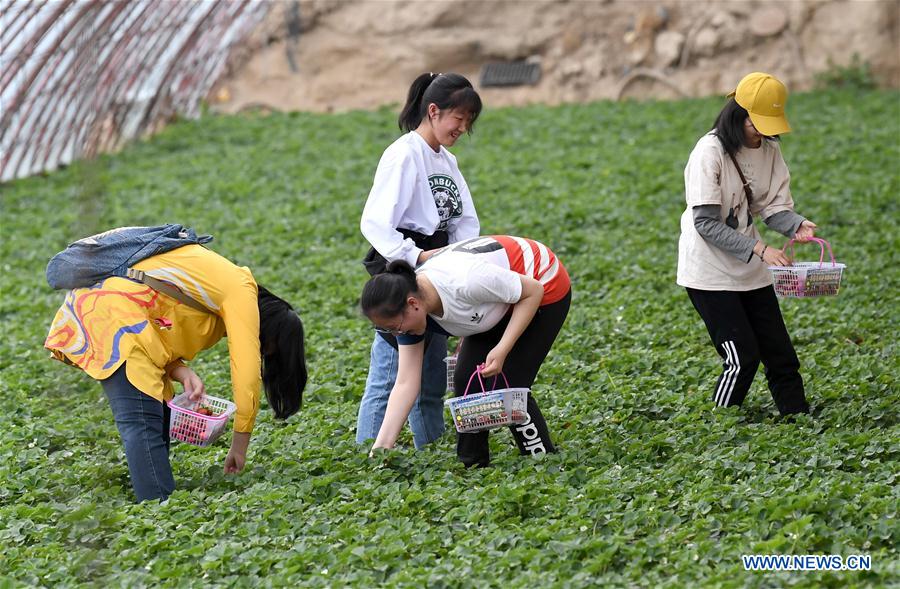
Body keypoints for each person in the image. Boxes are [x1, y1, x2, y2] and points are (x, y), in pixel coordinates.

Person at [44, 243, 307, 501]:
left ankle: (158, 499)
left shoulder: (220, 298)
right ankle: (156, 505)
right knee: (142, 420)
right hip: (112, 315)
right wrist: (239, 446)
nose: (260, 354)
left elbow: (161, 317)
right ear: (267, 329)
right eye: (266, 349)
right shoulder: (241, 293)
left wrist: (180, 371)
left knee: (156, 415)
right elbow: (247, 374)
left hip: (120, 313)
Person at [360, 235, 571, 467]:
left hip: (541, 284)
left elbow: (533, 291)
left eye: (395, 327)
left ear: (412, 304)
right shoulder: (410, 314)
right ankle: (473, 466)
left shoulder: (466, 281)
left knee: (509, 384)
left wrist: (502, 348)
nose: (396, 333)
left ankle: (542, 460)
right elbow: (405, 383)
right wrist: (380, 450)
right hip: (493, 303)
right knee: (465, 380)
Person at [677, 72, 817, 416]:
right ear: (738, 113)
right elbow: (705, 223)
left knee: (780, 353)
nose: (764, 132)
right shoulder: (709, 153)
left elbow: (772, 206)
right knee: (742, 357)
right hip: (708, 272)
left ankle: (798, 417)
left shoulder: (769, 149)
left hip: (751, 269)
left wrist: (795, 225)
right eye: (758, 123)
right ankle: (721, 423)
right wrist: (761, 250)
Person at [357, 72, 482, 449]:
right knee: (389, 374)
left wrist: (461, 264)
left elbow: (465, 222)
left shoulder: (448, 162)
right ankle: (369, 456)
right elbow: (375, 223)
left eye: (468, 122)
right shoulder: (403, 154)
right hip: (402, 272)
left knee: (429, 378)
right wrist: (418, 255)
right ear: (433, 111)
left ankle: (429, 451)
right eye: (458, 118)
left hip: (438, 273)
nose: (463, 127)